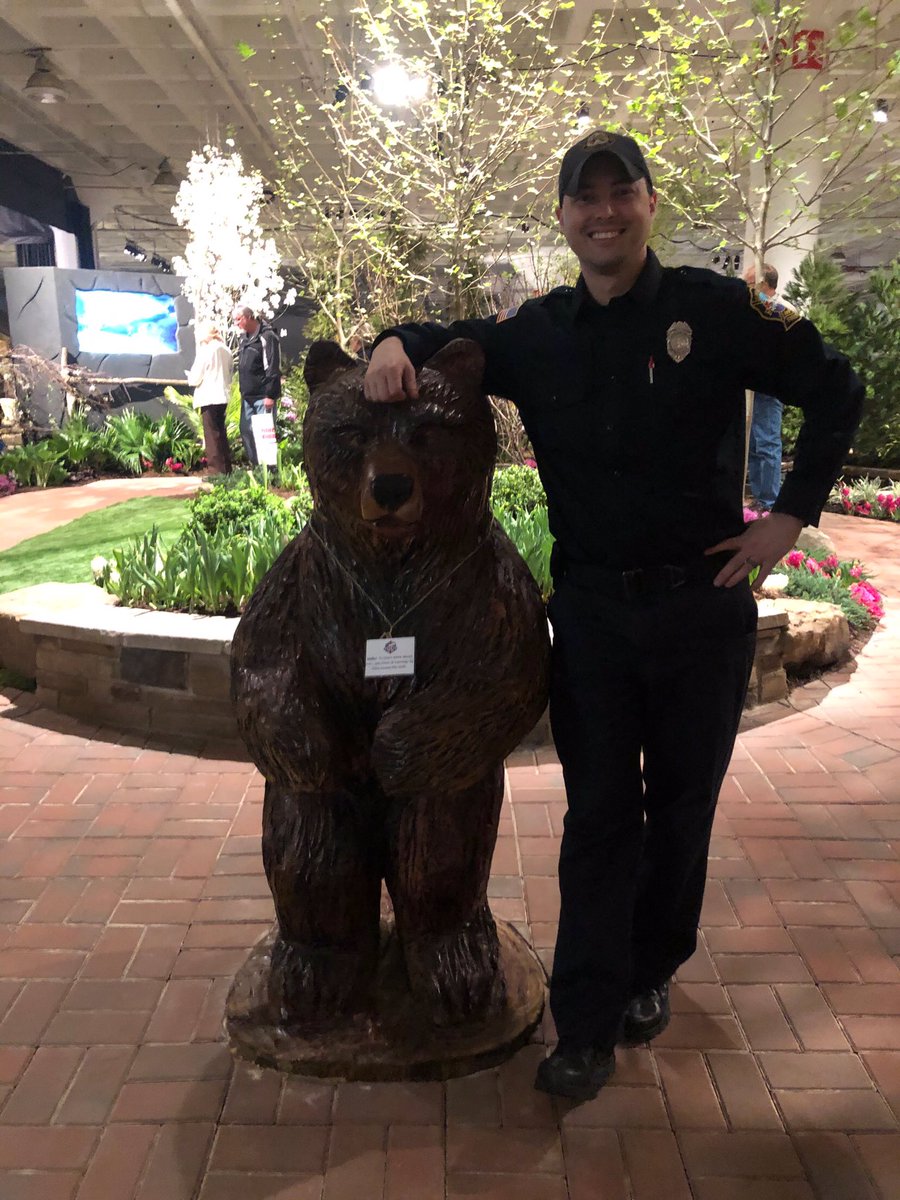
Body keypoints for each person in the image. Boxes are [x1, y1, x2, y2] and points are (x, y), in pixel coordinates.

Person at [363, 129, 863, 1101]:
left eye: (619, 192)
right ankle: (584, 1022)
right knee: (597, 819)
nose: (603, 212)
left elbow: (835, 388)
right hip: (593, 619)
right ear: (563, 218)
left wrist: (791, 516)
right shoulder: (538, 332)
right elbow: (450, 340)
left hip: (700, 611)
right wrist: (394, 340)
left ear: (647, 203)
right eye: (583, 198)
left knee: (681, 811)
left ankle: (653, 969)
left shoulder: (718, 312)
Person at [744, 262, 788, 511]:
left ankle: (769, 502)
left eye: (750, 284)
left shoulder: (781, 310)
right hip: (754, 384)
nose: (747, 289)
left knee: (767, 442)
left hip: (770, 386)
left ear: (764, 285)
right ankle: (760, 498)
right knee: (754, 443)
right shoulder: (756, 309)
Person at [234, 306, 282, 466]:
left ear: (248, 317)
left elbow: (272, 366)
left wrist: (270, 394)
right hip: (247, 396)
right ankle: (256, 466)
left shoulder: (267, 336)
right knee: (246, 430)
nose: (236, 323)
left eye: (239, 319)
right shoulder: (244, 339)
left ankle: (269, 471)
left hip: (263, 396)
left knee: (264, 434)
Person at [186, 324, 233, 476]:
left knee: (211, 435)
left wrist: (190, 377)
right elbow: (230, 372)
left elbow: (194, 378)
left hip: (208, 397)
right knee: (221, 433)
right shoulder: (226, 350)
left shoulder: (205, 350)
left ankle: (215, 472)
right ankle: (227, 469)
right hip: (223, 395)